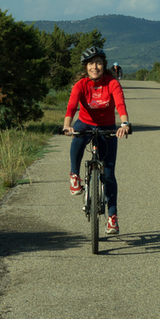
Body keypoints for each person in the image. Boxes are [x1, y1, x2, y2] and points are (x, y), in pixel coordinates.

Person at [63, 46, 130, 235]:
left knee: (108, 174)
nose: (95, 67)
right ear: (86, 67)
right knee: (77, 137)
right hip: (85, 123)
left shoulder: (112, 83)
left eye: (99, 63)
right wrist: (67, 126)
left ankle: (112, 217)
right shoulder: (80, 85)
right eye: (91, 64)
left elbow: (120, 104)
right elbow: (71, 108)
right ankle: (74, 175)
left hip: (107, 127)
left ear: (104, 65)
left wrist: (124, 123)